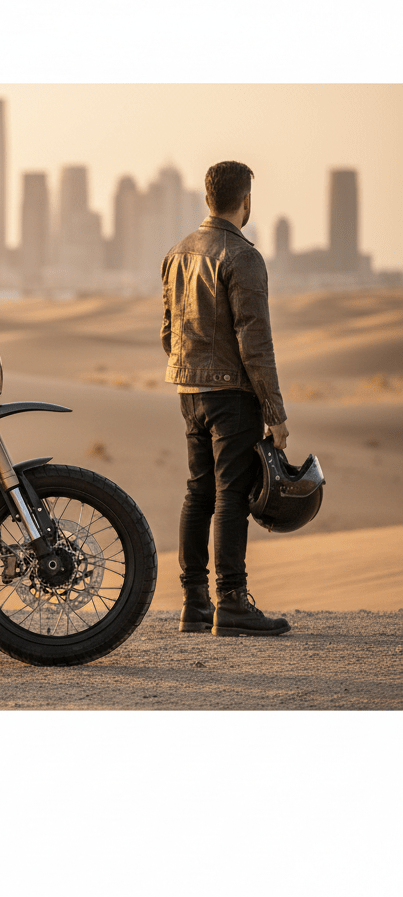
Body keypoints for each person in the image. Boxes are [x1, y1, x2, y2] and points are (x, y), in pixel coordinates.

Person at [161, 161, 291, 636]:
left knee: (198, 492)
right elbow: (256, 343)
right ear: (246, 201)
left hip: (189, 391)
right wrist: (275, 414)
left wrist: (189, 375)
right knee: (231, 494)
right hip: (233, 395)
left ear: (207, 196)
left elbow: (168, 332)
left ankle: (195, 604)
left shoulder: (177, 253)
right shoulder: (242, 256)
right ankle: (232, 602)